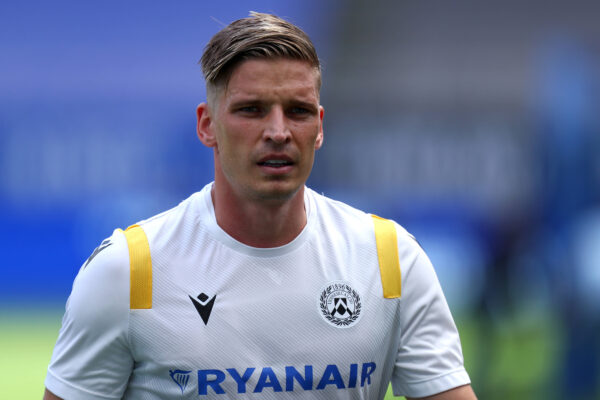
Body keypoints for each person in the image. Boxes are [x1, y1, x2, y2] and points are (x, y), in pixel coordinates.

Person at [44, 12, 476, 400]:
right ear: (207, 125)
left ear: (319, 127)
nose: (278, 131)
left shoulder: (389, 259)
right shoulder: (128, 271)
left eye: (298, 111)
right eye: (251, 110)